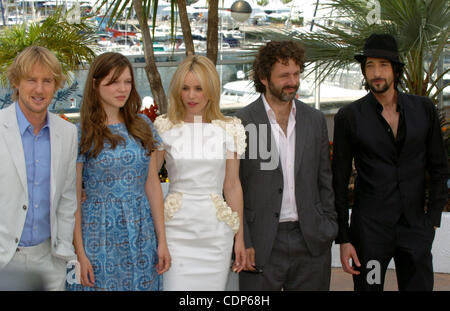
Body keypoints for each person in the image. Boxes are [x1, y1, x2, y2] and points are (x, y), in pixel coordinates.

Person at [332, 33, 448, 291]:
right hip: (370, 233)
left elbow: (439, 166)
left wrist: (433, 220)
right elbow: (338, 181)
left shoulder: (423, 109)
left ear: (395, 69)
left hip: (416, 230)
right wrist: (344, 238)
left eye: (383, 65)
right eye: (370, 65)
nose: (376, 73)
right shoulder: (349, 116)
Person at [235, 41, 338, 291]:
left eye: (296, 74)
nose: (292, 81)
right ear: (263, 77)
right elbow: (234, 186)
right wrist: (243, 240)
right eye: (284, 76)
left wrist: (328, 226)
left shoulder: (314, 120)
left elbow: (325, 180)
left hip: (311, 240)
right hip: (261, 243)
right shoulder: (243, 122)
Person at [67, 52, 170, 291]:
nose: (122, 89)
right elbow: (72, 198)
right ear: (95, 84)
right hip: (98, 234)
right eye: (113, 82)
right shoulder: (81, 132)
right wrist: (80, 254)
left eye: (127, 81)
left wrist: (161, 241)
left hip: (141, 230)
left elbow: (152, 184)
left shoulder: (143, 125)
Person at [153, 55, 247, 291]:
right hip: (175, 232)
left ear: (212, 90)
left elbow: (232, 185)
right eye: (185, 88)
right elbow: (149, 179)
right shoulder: (165, 127)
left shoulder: (229, 128)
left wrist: (240, 238)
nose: (191, 95)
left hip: (215, 233)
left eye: (198, 88)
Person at [0, 46, 77, 290]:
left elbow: (67, 197)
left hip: (49, 261)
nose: (40, 89)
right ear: (16, 82)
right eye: (31, 80)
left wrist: (63, 247)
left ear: (56, 85)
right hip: (4, 261)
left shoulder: (67, 133)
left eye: (47, 81)